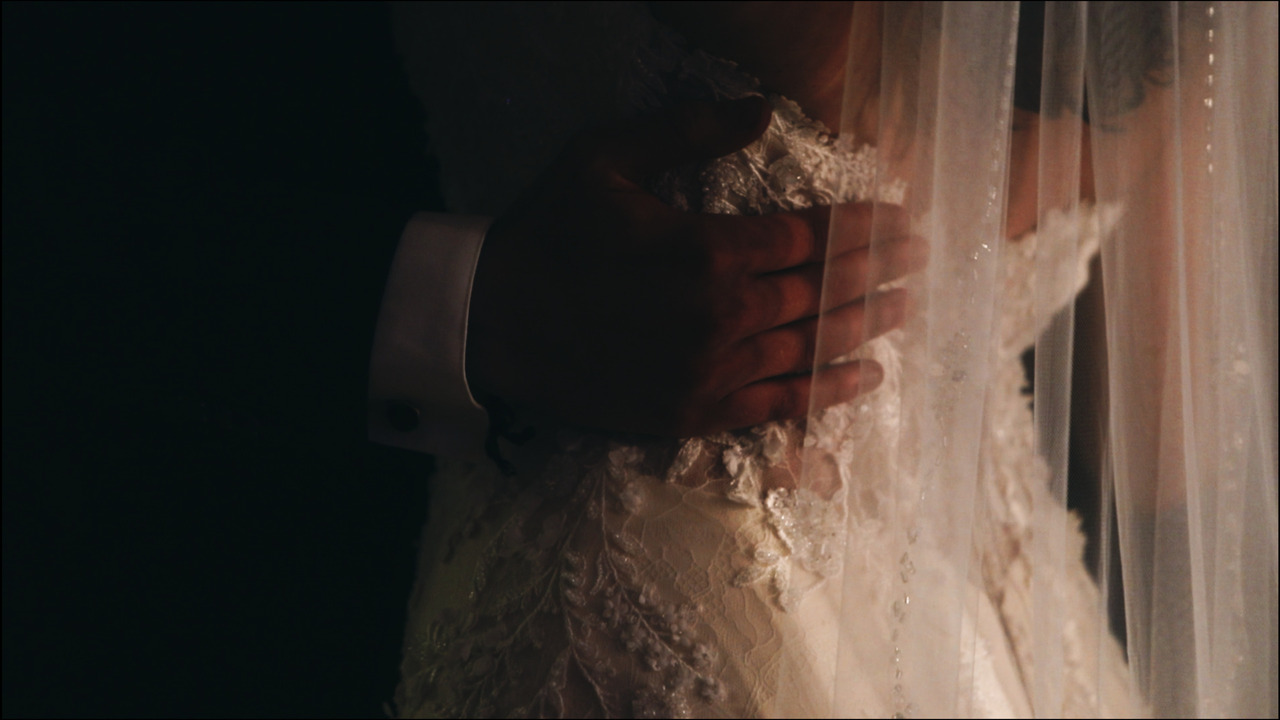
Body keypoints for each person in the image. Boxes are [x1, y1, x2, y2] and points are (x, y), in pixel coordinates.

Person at [372, 2, 1278, 717]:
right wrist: (469, 298)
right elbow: (1168, 431)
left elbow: (1166, 431)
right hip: (689, 608)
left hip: (977, 598)